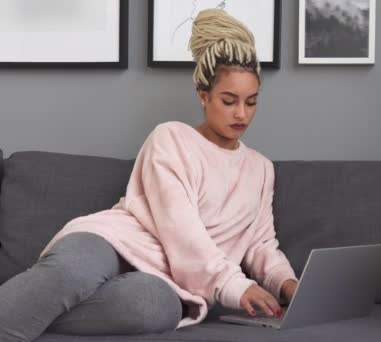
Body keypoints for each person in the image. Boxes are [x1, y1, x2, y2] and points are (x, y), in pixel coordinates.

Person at [0, 8, 298, 342]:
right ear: (204, 95)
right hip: (112, 243)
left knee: (153, 307)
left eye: (251, 101)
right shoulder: (170, 138)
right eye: (229, 101)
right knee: (73, 270)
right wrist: (234, 285)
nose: (241, 113)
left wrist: (287, 283)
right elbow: (180, 231)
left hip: (167, 283)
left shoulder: (260, 169)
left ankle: (32, 310)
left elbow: (261, 245)